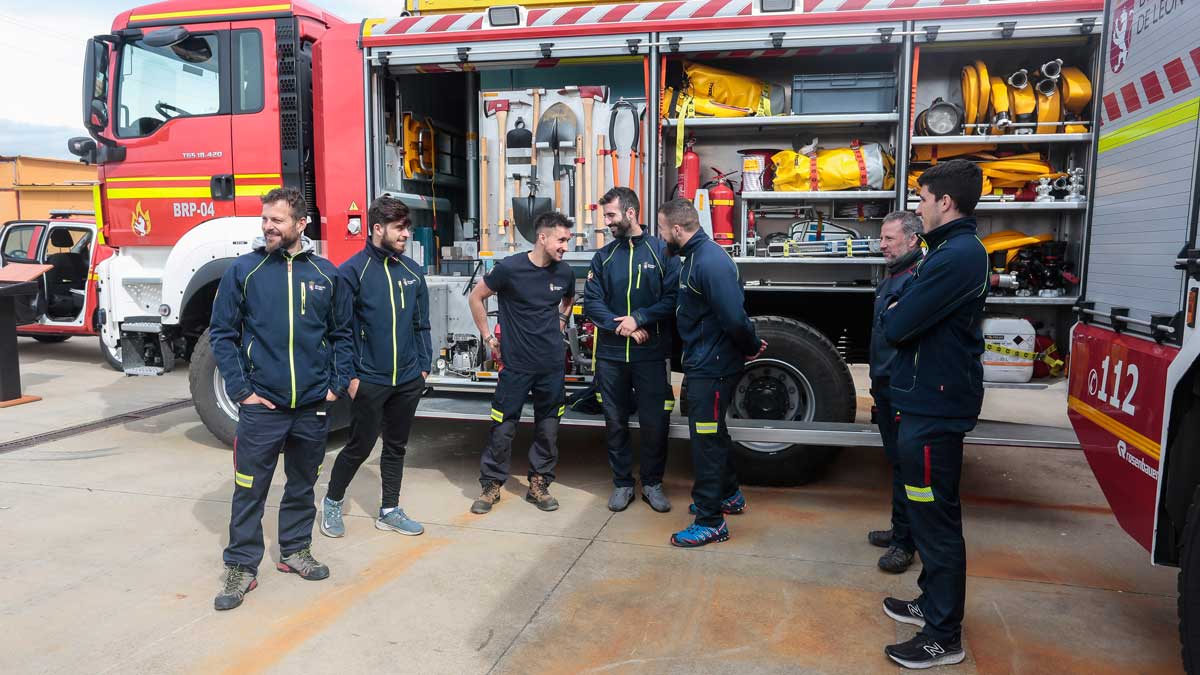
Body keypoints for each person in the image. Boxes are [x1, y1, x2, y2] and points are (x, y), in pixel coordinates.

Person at [208, 186, 353, 611]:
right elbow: (222, 333)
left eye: (278, 220)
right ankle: (241, 566)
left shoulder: (327, 275)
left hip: (311, 406)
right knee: (249, 487)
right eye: (265, 219)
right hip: (263, 407)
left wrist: (336, 384)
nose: (268, 226)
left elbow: (343, 334)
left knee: (303, 484)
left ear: (301, 224)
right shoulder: (244, 271)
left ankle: (294, 551)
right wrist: (242, 391)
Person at [879, 159, 988, 668]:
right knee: (928, 511)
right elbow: (900, 313)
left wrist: (901, 311)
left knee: (937, 520)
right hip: (925, 400)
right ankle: (931, 604)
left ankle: (944, 635)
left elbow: (898, 324)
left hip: (935, 405)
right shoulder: (947, 252)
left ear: (946, 202)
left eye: (922, 199)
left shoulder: (957, 256)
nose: (918, 210)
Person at [320, 196, 431, 539]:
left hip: (408, 378)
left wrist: (423, 367)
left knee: (396, 446)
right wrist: (351, 378)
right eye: (400, 228)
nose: (406, 235)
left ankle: (389, 510)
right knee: (360, 445)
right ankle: (332, 501)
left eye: (407, 227)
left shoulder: (413, 271)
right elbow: (339, 331)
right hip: (369, 380)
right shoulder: (352, 273)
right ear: (378, 228)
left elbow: (420, 324)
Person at [657, 199, 765, 548]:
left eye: (662, 230)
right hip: (707, 363)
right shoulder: (694, 258)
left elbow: (734, 317)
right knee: (714, 434)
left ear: (677, 229)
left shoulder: (710, 262)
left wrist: (749, 344)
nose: (661, 237)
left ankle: (710, 520)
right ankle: (728, 496)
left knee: (705, 442)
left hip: (713, 369)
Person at [468, 212, 576, 514]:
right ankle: (491, 485)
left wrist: (562, 320)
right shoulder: (510, 269)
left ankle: (539, 484)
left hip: (552, 365)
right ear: (542, 237)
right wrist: (489, 337)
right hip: (515, 365)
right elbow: (477, 297)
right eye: (562, 239)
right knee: (503, 427)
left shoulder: (564, 272)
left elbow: (569, 298)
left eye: (567, 240)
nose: (565, 246)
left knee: (548, 428)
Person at [583, 187, 680, 513]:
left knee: (655, 422)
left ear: (630, 213)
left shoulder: (661, 252)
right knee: (615, 421)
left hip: (650, 354)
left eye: (610, 215)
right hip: (611, 356)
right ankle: (623, 484)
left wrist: (639, 318)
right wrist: (620, 325)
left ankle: (652, 484)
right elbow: (592, 302)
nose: (606, 222)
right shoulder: (604, 256)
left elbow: (671, 299)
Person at [868, 211, 924, 574]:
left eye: (889, 239)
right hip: (886, 384)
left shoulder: (917, 279)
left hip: (903, 386)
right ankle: (899, 529)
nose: (882, 246)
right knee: (897, 464)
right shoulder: (894, 277)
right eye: (882, 238)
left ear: (913, 240)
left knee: (908, 468)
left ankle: (906, 544)